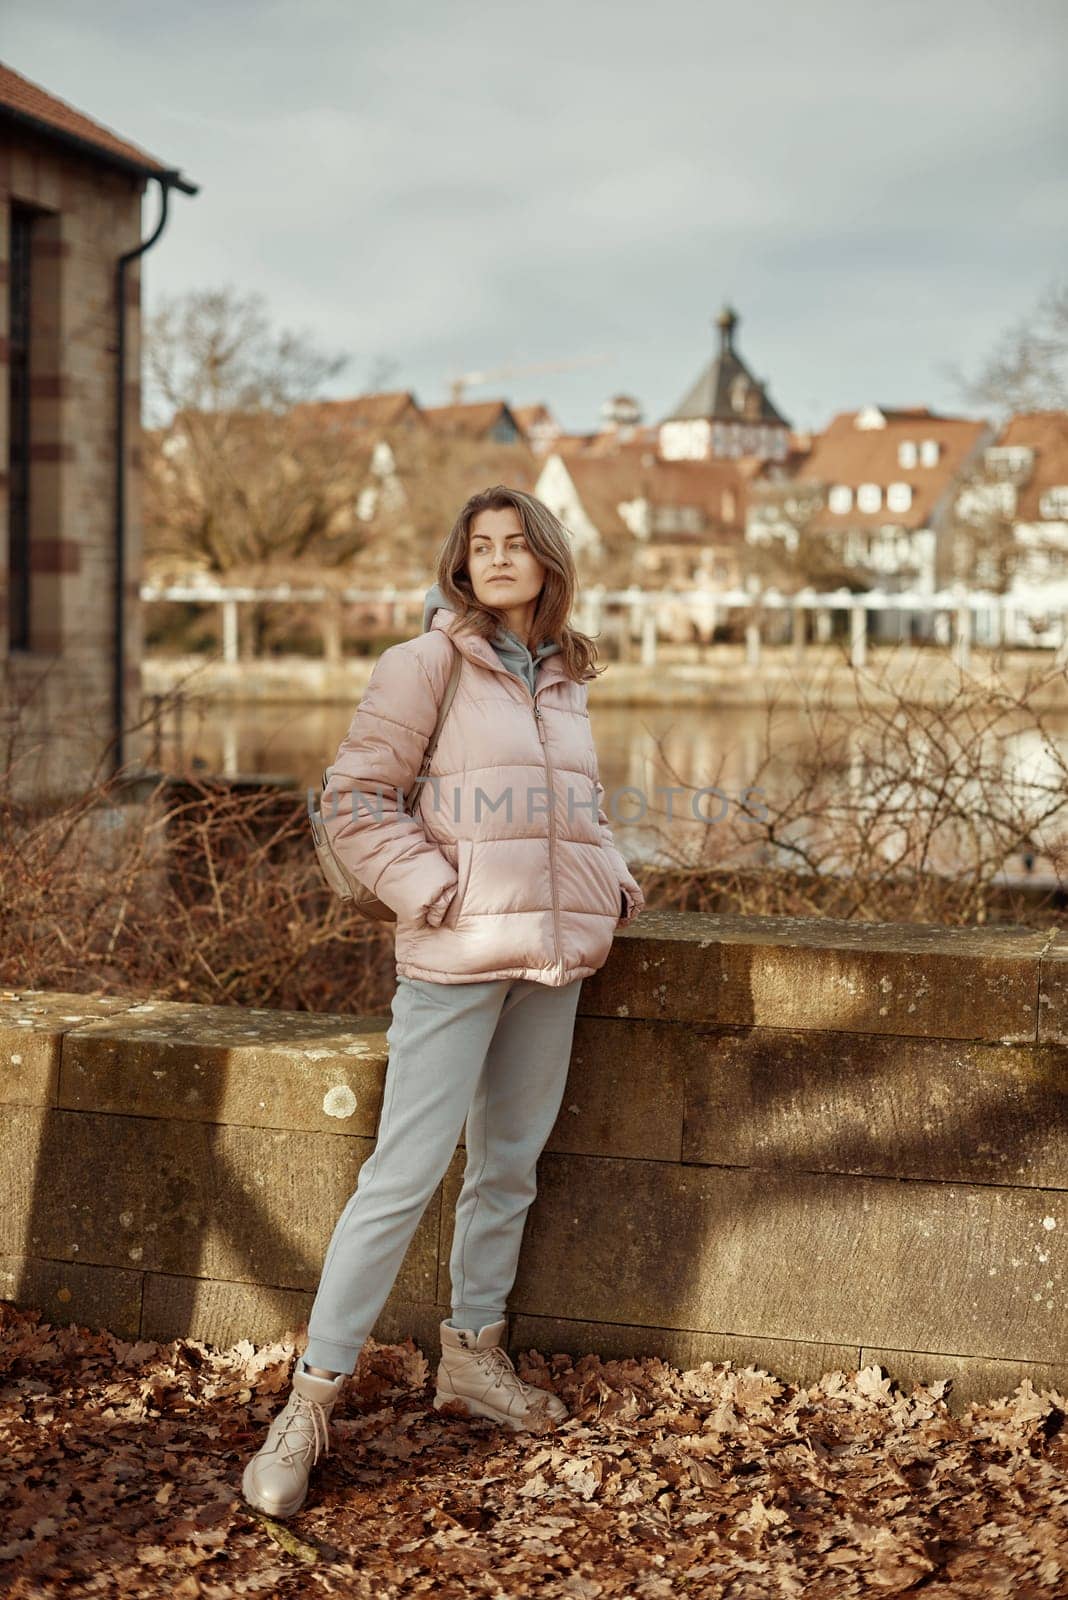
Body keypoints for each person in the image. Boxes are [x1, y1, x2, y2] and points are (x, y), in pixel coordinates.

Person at [242, 484, 645, 1518]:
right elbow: (354, 800)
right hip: (455, 960)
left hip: (552, 962)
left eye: (519, 543)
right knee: (402, 1174)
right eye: (483, 546)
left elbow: (573, 808)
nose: (501, 558)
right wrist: (435, 891)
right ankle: (311, 1399)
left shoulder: (564, 676)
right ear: (460, 566)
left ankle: (472, 1359)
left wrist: (612, 876)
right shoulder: (424, 663)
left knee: (506, 1167)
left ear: (548, 561)